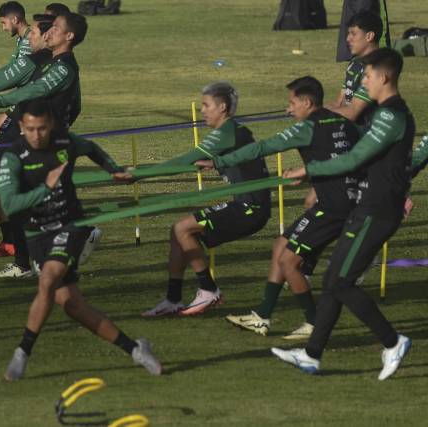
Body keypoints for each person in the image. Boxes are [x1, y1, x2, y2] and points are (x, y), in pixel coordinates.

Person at [274, 48, 413, 380]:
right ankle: (311, 355)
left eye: (367, 77)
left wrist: (311, 169)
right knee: (332, 280)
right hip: (367, 206)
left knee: (342, 281)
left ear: (384, 77)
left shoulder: (392, 116)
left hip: (377, 210)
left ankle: (393, 341)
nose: (363, 83)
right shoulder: (384, 114)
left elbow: (353, 160)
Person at [0, 100, 160, 380]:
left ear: (50, 124)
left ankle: (22, 352)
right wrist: (44, 189)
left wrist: (113, 169)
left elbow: (91, 149)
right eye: (31, 129)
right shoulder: (13, 157)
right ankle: (135, 349)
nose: (37, 135)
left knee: (48, 279)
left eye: (43, 128)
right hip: (37, 234)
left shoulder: (64, 142)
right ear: (21, 127)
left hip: (69, 225)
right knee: (72, 305)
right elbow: (9, 206)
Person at [196, 77, 361, 339]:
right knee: (280, 246)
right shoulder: (342, 122)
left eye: (292, 103)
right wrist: (310, 175)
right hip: (344, 201)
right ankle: (262, 317)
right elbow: (349, 158)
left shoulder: (306, 127)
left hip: (333, 207)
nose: (288, 109)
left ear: (307, 102)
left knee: (288, 262)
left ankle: (315, 323)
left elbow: (263, 147)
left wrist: (220, 161)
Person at [0, 12, 89, 279]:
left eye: (52, 29)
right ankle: (26, 262)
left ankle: (78, 236)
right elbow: (17, 85)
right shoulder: (45, 61)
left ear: (67, 36)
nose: (45, 35)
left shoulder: (61, 66)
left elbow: (30, 94)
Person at [140, 82, 271, 317]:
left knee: (183, 229)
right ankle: (173, 299)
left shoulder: (227, 132)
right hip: (244, 205)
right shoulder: (233, 132)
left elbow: (186, 159)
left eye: (206, 105)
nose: (202, 110)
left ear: (222, 107)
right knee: (176, 232)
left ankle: (209, 289)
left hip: (250, 208)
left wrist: (138, 174)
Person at [328, 12, 383, 128]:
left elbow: (353, 112)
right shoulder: (354, 64)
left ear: (369, 36)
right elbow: (340, 103)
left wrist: (315, 113)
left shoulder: (377, 68)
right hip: (350, 128)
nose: (348, 39)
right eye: (348, 34)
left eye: (353, 34)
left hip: (369, 132)